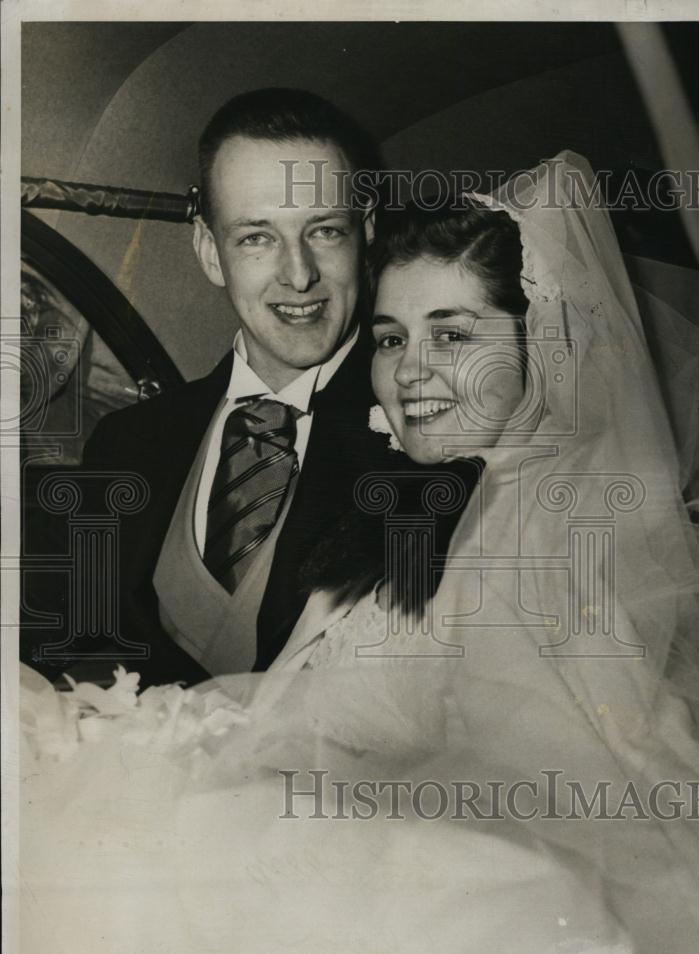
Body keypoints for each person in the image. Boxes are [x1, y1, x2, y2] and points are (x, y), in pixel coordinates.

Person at [19, 153, 699, 954]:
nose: (409, 368)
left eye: (451, 335)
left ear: (544, 350)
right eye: (391, 338)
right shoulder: (438, 517)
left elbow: (510, 797)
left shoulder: (549, 550)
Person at [23, 88, 432, 687]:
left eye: (324, 231)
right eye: (256, 238)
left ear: (366, 234)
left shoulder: (427, 433)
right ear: (210, 252)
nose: (299, 276)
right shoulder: (127, 442)